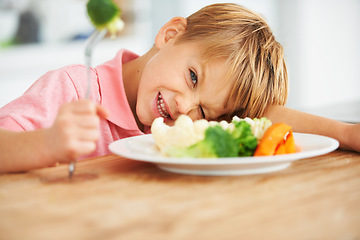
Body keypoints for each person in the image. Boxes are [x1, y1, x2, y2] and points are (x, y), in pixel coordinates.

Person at [0, 3, 359, 173]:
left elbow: (262, 119)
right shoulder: (73, 88)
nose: (186, 108)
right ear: (170, 34)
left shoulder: (188, 127)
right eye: (193, 78)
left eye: (205, 112)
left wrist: (345, 133)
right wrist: (47, 144)